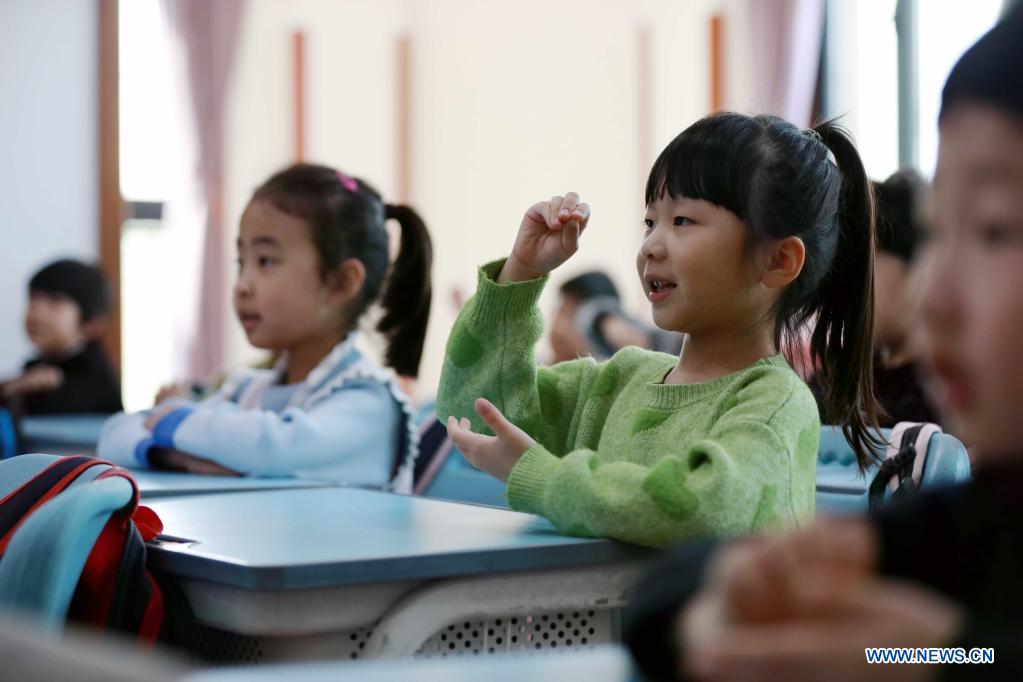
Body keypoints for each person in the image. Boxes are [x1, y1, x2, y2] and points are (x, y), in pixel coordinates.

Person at [624, 8, 1023, 680]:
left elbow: (979, 652)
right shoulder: (993, 519)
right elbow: (659, 600)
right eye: (937, 233)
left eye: (993, 231)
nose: (934, 298)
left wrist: (934, 655)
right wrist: (741, 585)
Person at [437, 111, 881, 547]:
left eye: (682, 221)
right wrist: (520, 273)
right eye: (650, 222)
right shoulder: (615, 382)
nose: (650, 245)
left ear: (778, 261)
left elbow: (706, 509)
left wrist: (542, 477)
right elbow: (475, 413)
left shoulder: (775, 403)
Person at [97, 164, 432, 491]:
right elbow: (115, 434)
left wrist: (174, 419)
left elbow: (275, 449)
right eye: (241, 262)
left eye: (266, 261)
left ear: (341, 284)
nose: (242, 285)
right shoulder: (248, 390)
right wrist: (169, 454)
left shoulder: (369, 402)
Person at [1, 259, 122, 415]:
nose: (37, 311)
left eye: (55, 301)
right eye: (33, 298)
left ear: (92, 324)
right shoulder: (38, 366)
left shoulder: (96, 381)